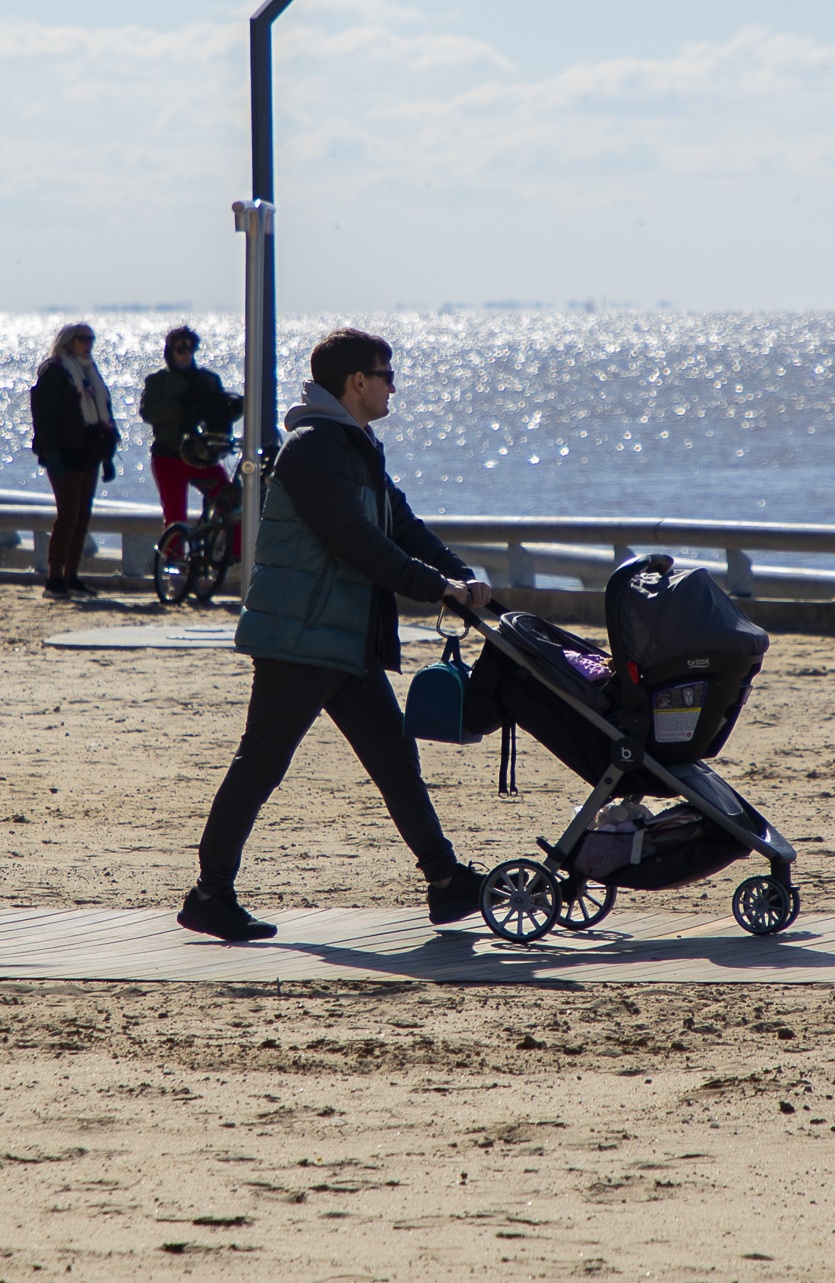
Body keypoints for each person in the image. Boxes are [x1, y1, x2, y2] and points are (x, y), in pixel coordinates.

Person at [180, 326, 490, 943]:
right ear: (356, 382)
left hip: (342, 638)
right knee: (261, 764)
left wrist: (460, 575)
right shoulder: (313, 448)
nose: (392, 385)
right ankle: (209, 894)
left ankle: (445, 881)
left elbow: (400, 523)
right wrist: (436, 588)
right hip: (303, 637)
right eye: (386, 374)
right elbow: (356, 541)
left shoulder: (355, 444)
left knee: (394, 758)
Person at [27, 322, 120, 600]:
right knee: (67, 515)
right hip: (64, 451)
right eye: (82, 339)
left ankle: (71, 576)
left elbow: (102, 412)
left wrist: (107, 457)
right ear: (69, 342)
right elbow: (43, 415)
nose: (87, 344)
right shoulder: (55, 371)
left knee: (82, 517)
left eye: (90, 339)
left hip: (88, 450)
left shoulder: (89, 371)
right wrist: (51, 452)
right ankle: (54, 579)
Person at [140, 326, 245, 551]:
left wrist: (233, 407)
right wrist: (181, 404)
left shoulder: (208, 379)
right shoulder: (158, 381)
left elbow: (221, 415)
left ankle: (236, 556)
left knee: (231, 502)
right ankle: (174, 563)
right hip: (169, 456)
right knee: (175, 514)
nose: (186, 353)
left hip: (202, 455)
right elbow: (148, 413)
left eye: (190, 348)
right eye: (180, 349)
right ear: (170, 352)